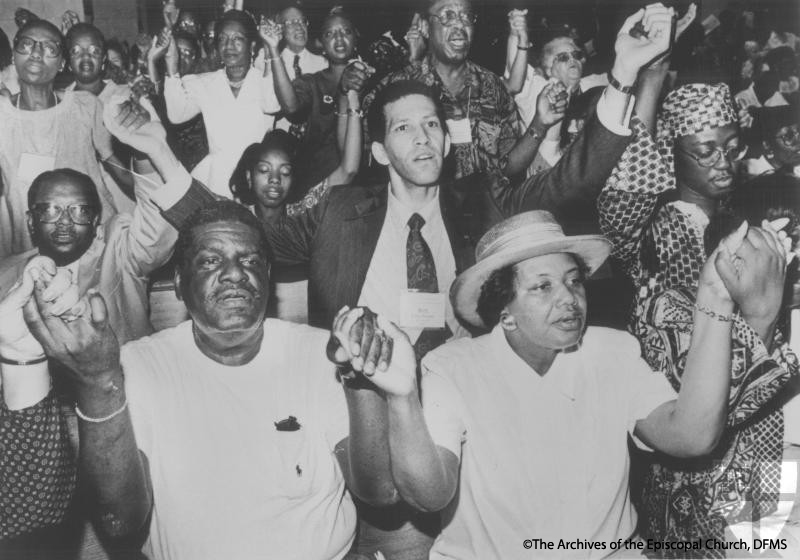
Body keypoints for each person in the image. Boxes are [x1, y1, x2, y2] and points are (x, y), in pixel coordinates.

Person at [331, 208, 787, 560]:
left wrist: (714, 296)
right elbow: (428, 495)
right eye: (542, 287)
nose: (569, 299)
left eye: (574, 282)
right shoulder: (454, 367)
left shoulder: (612, 353)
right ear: (503, 311)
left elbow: (691, 436)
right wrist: (403, 397)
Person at [17, 195, 410, 560]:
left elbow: (378, 491)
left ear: (269, 278)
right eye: (209, 261)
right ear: (179, 284)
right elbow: (119, 521)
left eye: (251, 261)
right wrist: (99, 382)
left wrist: (357, 374)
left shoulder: (320, 354)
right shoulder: (136, 367)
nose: (235, 274)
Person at [632, 185, 800, 554]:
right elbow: (709, 425)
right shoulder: (672, 312)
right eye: (783, 247)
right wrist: (761, 318)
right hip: (714, 517)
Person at [0, 95, 207, 347]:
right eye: (51, 210)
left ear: (96, 220)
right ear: (31, 221)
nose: (65, 221)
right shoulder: (8, 274)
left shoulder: (118, 252)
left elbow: (157, 229)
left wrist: (145, 153)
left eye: (79, 211)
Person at [229, 89, 362, 322]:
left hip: (304, 308)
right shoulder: (236, 219)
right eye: (264, 170)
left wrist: (352, 102)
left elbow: (348, 170)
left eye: (285, 172)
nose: (274, 179)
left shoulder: (302, 211)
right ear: (249, 177)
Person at [0, 19, 125, 258]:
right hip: (23, 249)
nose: (36, 53)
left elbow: (111, 159)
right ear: (14, 55)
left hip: (90, 243)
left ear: (62, 63)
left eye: (49, 48)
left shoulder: (85, 106)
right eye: (26, 44)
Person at [163, 9, 280, 197]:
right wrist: (172, 66)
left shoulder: (264, 80)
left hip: (257, 181)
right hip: (215, 181)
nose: (229, 45)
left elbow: (272, 105)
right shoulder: (204, 82)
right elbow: (176, 115)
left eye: (237, 39)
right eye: (223, 39)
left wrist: (269, 52)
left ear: (252, 45)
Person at [263, 7, 370, 200]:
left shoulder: (372, 80)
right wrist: (273, 50)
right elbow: (291, 108)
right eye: (330, 33)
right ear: (320, 43)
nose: (339, 39)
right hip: (319, 185)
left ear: (356, 37)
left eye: (345, 31)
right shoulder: (312, 83)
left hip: (365, 185)